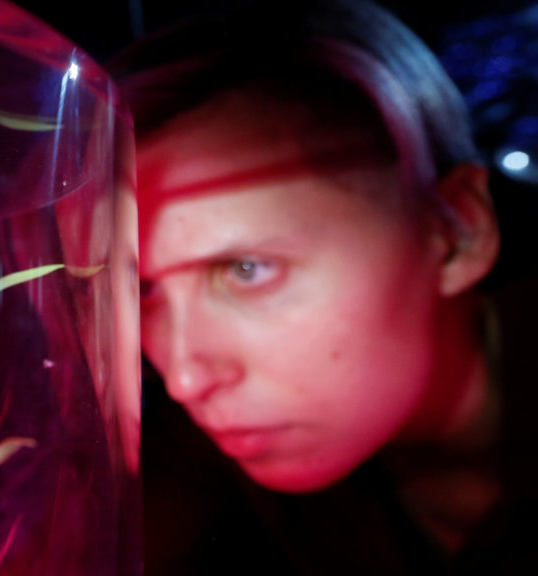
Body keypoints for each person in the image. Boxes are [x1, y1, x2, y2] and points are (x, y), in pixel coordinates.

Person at [111, 0, 538, 573]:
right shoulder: (200, 463)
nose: (186, 378)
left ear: (456, 231)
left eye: (247, 270)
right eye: (145, 290)